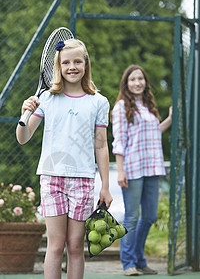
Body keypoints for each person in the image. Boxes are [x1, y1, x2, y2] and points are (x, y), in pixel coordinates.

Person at [16, 38, 113, 279]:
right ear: (58, 67)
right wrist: (23, 115)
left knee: (75, 246)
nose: (72, 66)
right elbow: (23, 137)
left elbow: (101, 146)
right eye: (66, 62)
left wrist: (106, 186)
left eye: (77, 61)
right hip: (51, 178)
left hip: (82, 181)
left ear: (85, 64)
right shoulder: (46, 99)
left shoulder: (98, 102)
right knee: (56, 246)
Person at [111, 64, 172, 276]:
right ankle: (128, 263)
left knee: (150, 216)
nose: (137, 83)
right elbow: (119, 142)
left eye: (141, 79)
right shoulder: (120, 107)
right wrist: (120, 171)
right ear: (126, 84)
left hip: (152, 167)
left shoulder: (147, 105)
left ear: (145, 82)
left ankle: (139, 259)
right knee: (132, 217)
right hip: (133, 168)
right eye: (133, 79)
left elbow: (154, 131)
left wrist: (170, 120)